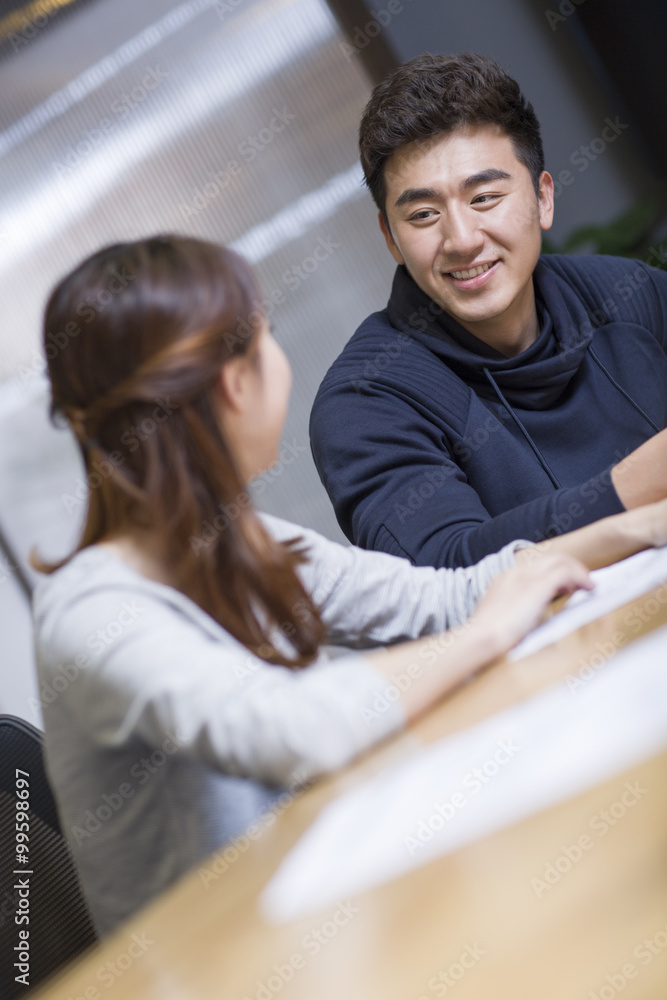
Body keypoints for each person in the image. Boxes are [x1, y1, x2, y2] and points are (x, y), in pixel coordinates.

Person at [32, 236, 667, 937]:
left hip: (317, 914)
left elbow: (438, 598)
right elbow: (289, 728)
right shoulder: (94, 613)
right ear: (232, 383)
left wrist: (634, 531)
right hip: (222, 959)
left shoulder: (240, 541)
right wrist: (486, 633)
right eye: (266, 339)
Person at [310, 52, 667, 569]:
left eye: (484, 198)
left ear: (543, 199)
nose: (461, 240)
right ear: (391, 238)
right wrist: (638, 485)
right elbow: (446, 571)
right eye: (425, 214)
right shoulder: (367, 400)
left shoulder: (631, 295)